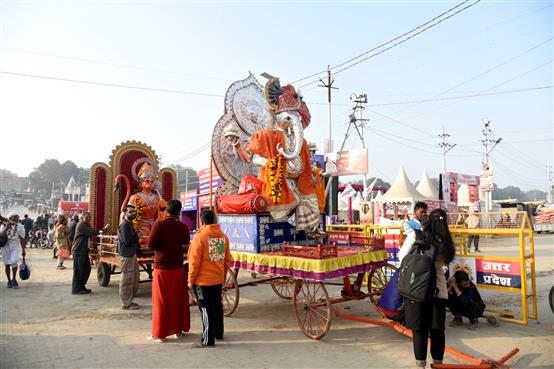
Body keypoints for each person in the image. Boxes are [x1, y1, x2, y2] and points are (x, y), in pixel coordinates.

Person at [404, 209, 455, 369]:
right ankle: (438, 365)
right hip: (438, 290)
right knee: (437, 330)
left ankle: (420, 366)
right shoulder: (446, 241)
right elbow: (446, 264)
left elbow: (402, 258)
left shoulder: (416, 235)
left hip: (417, 289)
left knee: (419, 330)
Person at [188, 209, 233, 348]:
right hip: (217, 279)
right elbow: (227, 259)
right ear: (214, 221)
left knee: (206, 309)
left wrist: (191, 280)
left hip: (202, 281)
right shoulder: (222, 237)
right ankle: (218, 333)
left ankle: (207, 339)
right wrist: (223, 273)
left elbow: (194, 262)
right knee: (217, 306)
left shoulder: (200, 237)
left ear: (202, 222)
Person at [147, 200, 190, 343]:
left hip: (162, 268)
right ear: (179, 212)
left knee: (161, 301)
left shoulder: (159, 224)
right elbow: (186, 244)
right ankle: (177, 331)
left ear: (166, 211)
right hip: (177, 268)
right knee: (177, 300)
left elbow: (150, 244)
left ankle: (160, 334)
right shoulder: (183, 227)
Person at [71, 212, 107, 295]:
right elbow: (90, 232)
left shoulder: (85, 225)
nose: (88, 219)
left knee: (86, 269)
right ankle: (76, 289)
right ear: (82, 217)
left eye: (89, 217)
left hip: (83, 251)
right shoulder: (81, 225)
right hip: (79, 251)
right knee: (79, 270)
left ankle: (81, 286)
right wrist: (102, 231)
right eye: (86, 217)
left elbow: (91, 231)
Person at [117, 205, 141, 310]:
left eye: (134, 211)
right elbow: (127, 241)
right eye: (131, 212)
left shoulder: (129, 224)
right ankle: (126, 303)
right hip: (127, 255)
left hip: (131, 254)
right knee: (127, 279)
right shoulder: (124, 225)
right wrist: (137, 236)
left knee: (134, 279)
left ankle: (129, 301)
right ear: (125, 213)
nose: (133, 213)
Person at [0, 212, 26, 288]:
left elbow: (22, 239)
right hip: (5, 245)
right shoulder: (4, 225)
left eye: (18, 217)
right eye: (15, 217)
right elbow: (1, 235)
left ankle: (14, 279)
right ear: (10, 218)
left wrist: (23, 250)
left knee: (14, 261)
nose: (17, 219)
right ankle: (9, 281)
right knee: (7, 264)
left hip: (14, 245)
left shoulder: (20, 227)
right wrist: (6, 228)